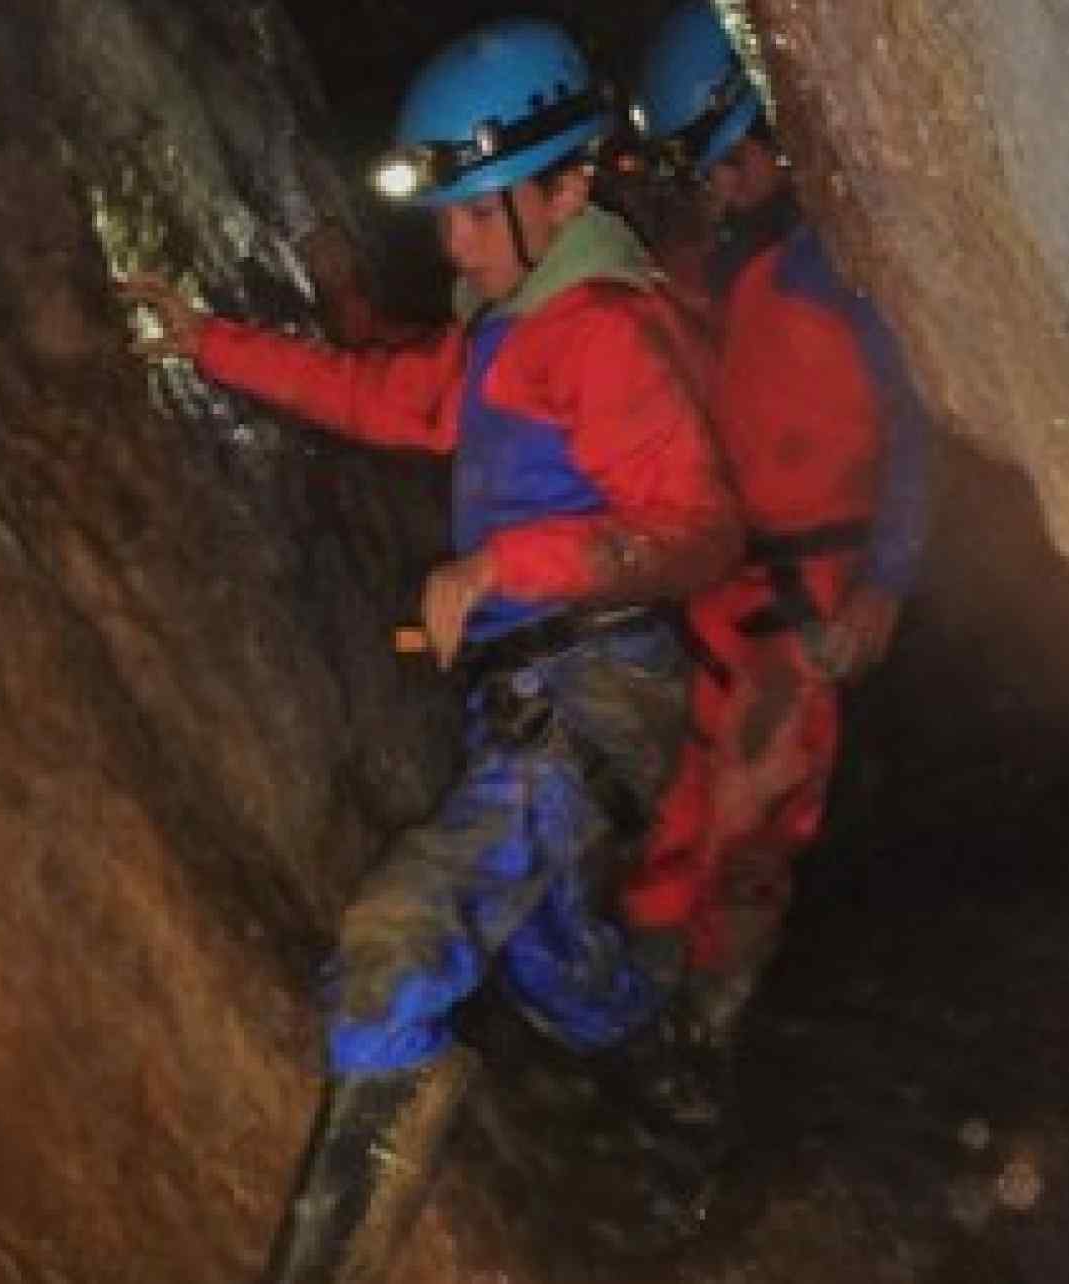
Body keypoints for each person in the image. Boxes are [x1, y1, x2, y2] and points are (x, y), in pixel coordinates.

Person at [125, 18, 740, 1281]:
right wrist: (204, 340)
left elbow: (700, 531)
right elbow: (382, 394)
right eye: (444, 214)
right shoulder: (513, 329)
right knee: (548, 955)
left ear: (567, 189)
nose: (451, 242)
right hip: (526, 689)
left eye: (474, 211)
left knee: (397, 946)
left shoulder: (608, 332)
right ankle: (678, 1067)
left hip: (601, 684)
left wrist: (507, 565)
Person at [621, 0, 930, 1053]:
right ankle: (646, 993)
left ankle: (714, 1017)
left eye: (727, 160)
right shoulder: (737, 262)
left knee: (755, 816)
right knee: (683, 798)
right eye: (705, 169)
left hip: (810, 601)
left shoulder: (839, 267)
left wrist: (888, 580)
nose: (718, 184)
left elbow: (913, 423)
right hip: (725, 584)